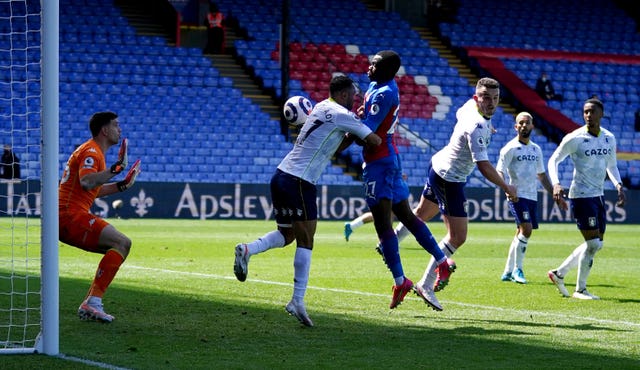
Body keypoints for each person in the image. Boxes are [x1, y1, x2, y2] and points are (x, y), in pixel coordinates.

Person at [233, 75, 382, 327]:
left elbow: (332, 148)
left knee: (287, 235)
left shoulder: (322, 107)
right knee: (307, 240)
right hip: (299, 181)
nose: (355, 98)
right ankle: (297, 300)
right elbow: (375, 140)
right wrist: (366, 121)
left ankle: (248, 249)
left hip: (281, 176)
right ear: (344, 95)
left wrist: (352, 132)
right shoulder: (341, 113)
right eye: (353, 95)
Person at [388, 78, 518, 310]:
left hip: (438, 164)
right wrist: (507, 187)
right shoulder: (477, 124)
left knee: (421, 213)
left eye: (495, 98)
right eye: (486, 98)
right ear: (477, 97)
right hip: (450, 178)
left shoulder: (469, 108)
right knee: (458, 236)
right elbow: (484, 166)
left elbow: (462, 112)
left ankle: (390, 242)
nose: (491, 103)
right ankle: (425, 284)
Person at [359, 50, 455, 311]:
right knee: (408, 216)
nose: (369, 66)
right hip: (389, 158)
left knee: (383, 225)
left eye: (375, 64)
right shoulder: (378, 87)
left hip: (380, 163)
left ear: (387, 69)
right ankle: (442, 261)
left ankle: (401, 280)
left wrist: (344, 125)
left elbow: (365, 132)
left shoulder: (384, 93)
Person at [59, 111, 141, 322]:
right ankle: (92, 302)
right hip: (69, 216)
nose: (119, 129)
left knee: (119, 245)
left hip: (68, 217)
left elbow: (91, 189)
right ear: (105, 130)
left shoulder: (94, 153)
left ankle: (91, 303)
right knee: (122, 242)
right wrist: (116, 169)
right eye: (116, 125)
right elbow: (87, 182)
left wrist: (121, 185)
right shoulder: (92, 152)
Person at [547, 98, 625, 300]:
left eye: (592, 111)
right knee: (593, 244)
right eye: (585, 112)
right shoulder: (575, 138)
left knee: (596, 244)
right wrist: (556, 183)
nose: (588, 115)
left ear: (601, 114)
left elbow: (612, 165)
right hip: (580, 196)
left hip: (598, 196)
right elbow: (553, 159)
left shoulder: (609, 138)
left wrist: (618, 185)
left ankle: (559, 274)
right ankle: (579, 290)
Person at [496, 112, 567, 284]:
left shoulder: (536, 149)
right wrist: (506, 187)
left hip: (532, 196)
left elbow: (542, 175)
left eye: (527, 123)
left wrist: (554, 195)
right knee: (527, 230)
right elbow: (500, 170)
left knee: (520, 232)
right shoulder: (509, 148)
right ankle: (517, 270)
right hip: (517, 196)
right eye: (520, 123)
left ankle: (507, 270)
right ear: (515, 127)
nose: (523, 126)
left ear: (532, 126)